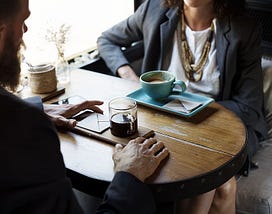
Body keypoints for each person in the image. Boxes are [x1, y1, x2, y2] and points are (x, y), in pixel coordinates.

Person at [0, 0, 170, 213]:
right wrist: (129, 175)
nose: (25, 31)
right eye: (22, 22)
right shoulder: (22, 129)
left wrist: (36, 109)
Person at [97, 0, 268, 213]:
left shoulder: (244, 28)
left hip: (223, 127)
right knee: (223, 186)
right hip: (168, 124)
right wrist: (128, 75)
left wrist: (188, 111)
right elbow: (107, 40)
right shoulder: (153, 9)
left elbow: (249, 108)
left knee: (216, 185)